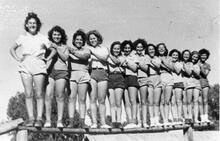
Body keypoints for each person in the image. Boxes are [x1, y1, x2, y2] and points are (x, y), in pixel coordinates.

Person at [10, 12, 56, 127]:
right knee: (28, 93)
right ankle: (31, 118)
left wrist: (46, 58)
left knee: (39, 93)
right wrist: (18, 59)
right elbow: (12, 49)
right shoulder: (22, 37)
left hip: (39, 65)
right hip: (26, 65)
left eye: (34, 23)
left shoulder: (43, 38)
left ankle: (39, 118)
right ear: (26, 25)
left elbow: (54, 50)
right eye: (30, 23)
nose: (32, 25)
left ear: (38, 25)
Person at [44, 26, 69, 128]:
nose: (56, 36)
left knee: (60, 96)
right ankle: (48, 120)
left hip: (61, 71)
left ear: (61, 36)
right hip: (49, 71)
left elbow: (65, 57)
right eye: (54, 34)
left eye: (58, 34)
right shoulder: (47, 45)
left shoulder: (64, 46)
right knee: (48, 95)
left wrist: (57, 47)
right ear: (51, 35)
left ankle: (59, 121)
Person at [87, 30, 111, 128]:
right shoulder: (87, 49)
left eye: (94, 38)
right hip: (92, 72)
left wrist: (93, 52)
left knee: (102, 99)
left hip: (102, 72)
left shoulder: (104, 48)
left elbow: (104, 57)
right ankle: (94, 122)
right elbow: (87, 61)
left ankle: (103, 122)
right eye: (90, 39)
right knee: (92, 99)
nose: (92, 40)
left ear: (98, 38)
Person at [67, 29, 91, 128]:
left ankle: (82, 121)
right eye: (77, 39)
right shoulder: (69, 49)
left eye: (81, 40)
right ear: (74, 40)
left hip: (83, 75)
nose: (79, 41)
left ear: (83, 41)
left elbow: (85, 57)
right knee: (71, 98)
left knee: (82, 99)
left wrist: (72, 52)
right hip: (72, 75)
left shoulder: (86, 50)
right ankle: (71, 122)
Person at [120, 40, 139, 129]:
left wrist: (126, 63)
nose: (127, 49)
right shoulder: (120, 56)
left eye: (128, 48)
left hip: (132, 77)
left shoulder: (134, 56)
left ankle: (134, 120)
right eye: (125, 48)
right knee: (126, 101)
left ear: (131, 49)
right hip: (123, 78)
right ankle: (129, 120)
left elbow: (135, 68)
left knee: (133, 100)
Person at [107, 41, 125, 128]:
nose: (116, 50)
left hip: (119, 77)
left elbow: (117, 62)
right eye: (115, 48)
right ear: (112, 49)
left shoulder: (122, 57)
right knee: (112, 102)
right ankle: (113, 121)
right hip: (110, 77)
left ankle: (119, 121)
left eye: (118, 48)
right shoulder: (107, 57)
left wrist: (109, 55)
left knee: (118, 102)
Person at [133, 39, 150, 128]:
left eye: (141, 47)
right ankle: (138, 121)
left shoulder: (146, 56)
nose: (139, 49)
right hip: (134, 78)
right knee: (135, 101)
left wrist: (138, 63)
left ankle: (145, 121)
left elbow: (146, 68)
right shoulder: (132, 55)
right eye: (137, 47)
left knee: (143, 101)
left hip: (143, 78)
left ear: (143, 48)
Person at [157, 43, 174, 126]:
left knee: (167, 100)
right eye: (159, 48)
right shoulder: (156, 57)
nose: (161, 49)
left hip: (169, 76)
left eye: (162, 48)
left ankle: (167, 119)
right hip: (160, 76)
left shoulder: (170, 58)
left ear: (165, 49)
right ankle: (163, 119)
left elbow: (172, 68)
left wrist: (163, 61)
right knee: (161, 100)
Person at [146, 44, 162, 127]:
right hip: (149, 78)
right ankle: (152, 121)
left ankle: (157, 120)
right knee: (150, 102)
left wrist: (151, 61)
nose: (151, 51)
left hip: (157, 78)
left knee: (157, 102)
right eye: (149, 49)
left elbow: (159, 66)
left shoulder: (157, 58)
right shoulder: (145, 57)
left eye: (152, 49)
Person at [169, 49, 184, 125]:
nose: (174, 56)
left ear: (178, 57)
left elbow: (178, 71)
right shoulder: (169, 62)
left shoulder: (180, 63)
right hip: (171, 82)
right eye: (173, 55)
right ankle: (174, 117)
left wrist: (170, 64)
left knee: (179, 101)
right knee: (172, 102)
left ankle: (179, 116)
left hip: (178, 82)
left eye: (176, 55)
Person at [198, 48, 211, 123]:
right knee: (199, 101)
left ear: (207, 57)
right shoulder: (196, 63)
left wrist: (201, 67)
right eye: (202, 55)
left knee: (205, 100)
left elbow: (205, 74)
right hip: (197, 83)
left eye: (205, 56)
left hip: (205, 83)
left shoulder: (207, 65)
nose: (203, 57)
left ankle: (206, 117)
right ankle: (201, 117)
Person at [181, 50, 194, 123]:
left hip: (189, 83)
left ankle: (190, 116)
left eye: (187, 54)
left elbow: (189, 73)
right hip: (182, 83)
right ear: (182, 55)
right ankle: (186, 117)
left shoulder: (190, 63)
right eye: (185, 54)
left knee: (189, 101)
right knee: (184, 101)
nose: (186, 56)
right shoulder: (179, 62)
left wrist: (184, 66)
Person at [190, 51, 202, 124]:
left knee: (196, 101)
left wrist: (192, 69)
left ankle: (196, 118)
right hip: (188, 83)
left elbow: (198, 75)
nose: (194, 58)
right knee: (188, 102)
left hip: (196, 83)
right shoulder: (187, 63)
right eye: (193, 56)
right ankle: (190, 117)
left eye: (196, 57)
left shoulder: (197, 65)